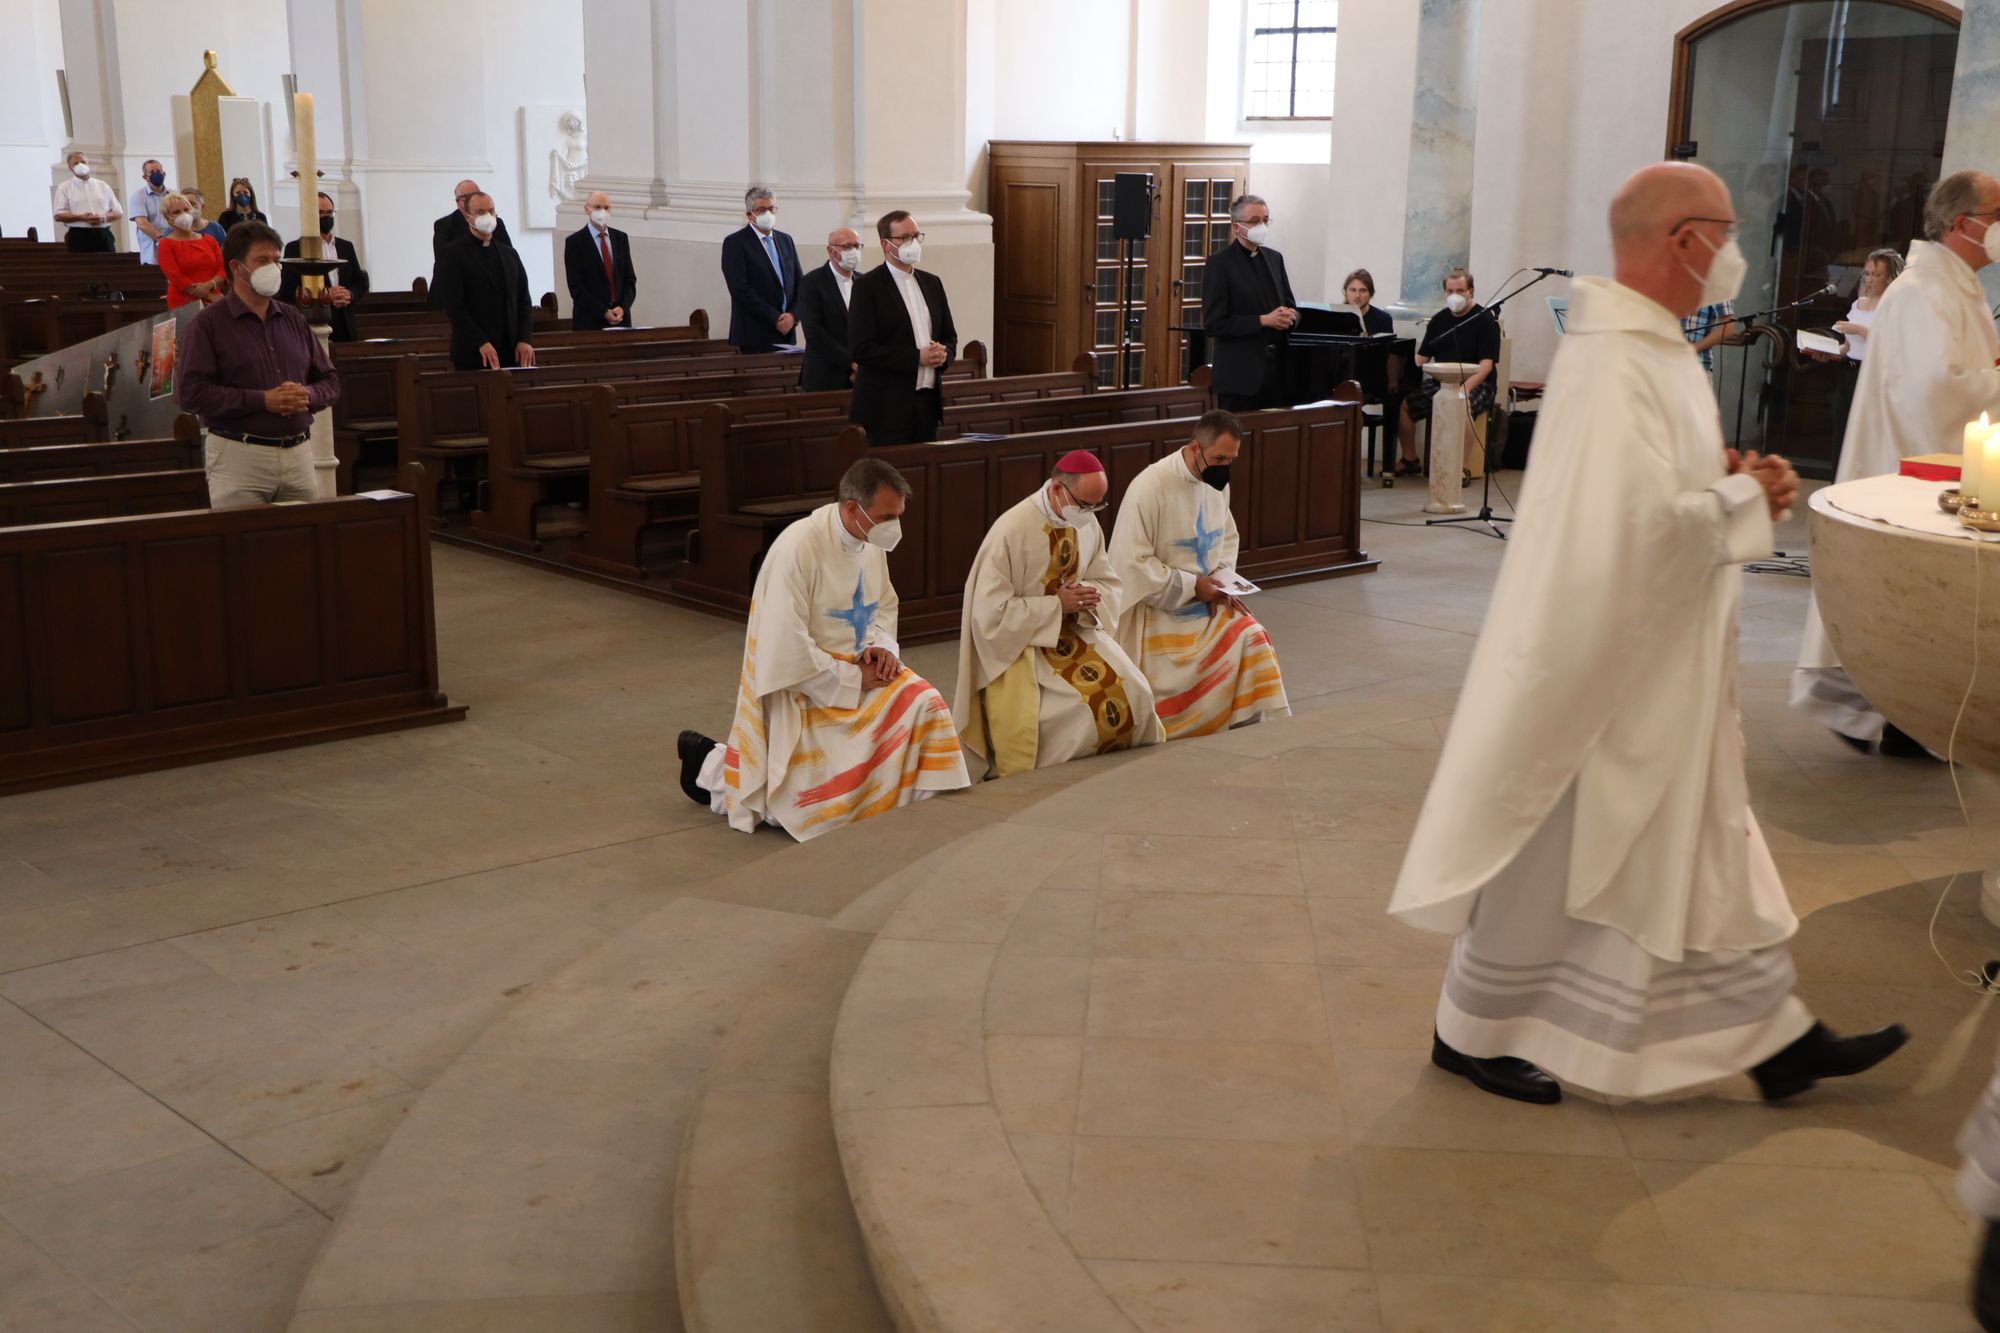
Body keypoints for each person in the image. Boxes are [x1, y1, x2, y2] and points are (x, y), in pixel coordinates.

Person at [1386, 161, 1906, 1109]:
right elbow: (1627, 527)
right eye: (1728, 228)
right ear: (1683, 240)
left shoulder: (1651, 345)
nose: (1738, 248)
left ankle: (1771, 1034)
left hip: (1664, 647)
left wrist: (1721, 475)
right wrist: (1743, 496)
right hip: (1607, 656)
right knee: (1563, 849)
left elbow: (1659, 488)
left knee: (1694, 842)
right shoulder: (1614, 358)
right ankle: (1473, 1026)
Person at [1793, 171, 2000, 756]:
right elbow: (1933, 393)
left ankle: (1908, 717)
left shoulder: (1952, 286)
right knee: (1900, 603)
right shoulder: (1925, 291)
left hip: (1928, 463)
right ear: (1963, 224)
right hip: (1905, 469)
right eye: (1997, 212)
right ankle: (1892, 713)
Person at [675, 457, 970, 839]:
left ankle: (919, 811)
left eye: (897, 516)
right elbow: (784, 645)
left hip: (861, 670)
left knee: (925, 703)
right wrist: (850, 676)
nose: (893, 527)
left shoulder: (867, 540)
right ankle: (709, 767)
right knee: (793, 806)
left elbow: (882, 605)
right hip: (807, 686)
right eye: (886, 517)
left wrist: (883, 647)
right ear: (852, 508)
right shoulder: (798, 548)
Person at [953, 450, 1163, 777]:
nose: (1090, 514)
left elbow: (1107, 579)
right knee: (1065, 711)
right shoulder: (1010, 531)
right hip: (1023, 646)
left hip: (1078, 629)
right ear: (1056, 489)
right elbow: (989, 615)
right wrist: (1055, 607)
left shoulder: (1085, 522)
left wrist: (1089, 597)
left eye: (1097, 505)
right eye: (1084, 505)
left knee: (1136, 690)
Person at [1105, 409, 1290, 739]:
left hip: (1208, 600)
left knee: (1253, 636)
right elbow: (1132, 562)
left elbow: (1225, 537)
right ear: (1194, 448)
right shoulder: (1150, 486)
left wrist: (1222, 577)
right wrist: (1192, 586)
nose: (1224, 466)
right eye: (1219, 457)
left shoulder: (1215, 483)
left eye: (1231, 459)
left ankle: (1242, 728)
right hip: (1160, 608)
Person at [177, 221, 341, 507]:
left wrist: (307, 395)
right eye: (262, 261)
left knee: (304, 543)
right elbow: (191, 393)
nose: (273, 268)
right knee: (244, 545)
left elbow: (330, 381)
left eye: (277, 260)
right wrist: (262, 400)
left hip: (299, 452)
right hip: (239, 454)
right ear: (237, 267)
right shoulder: (208, 324)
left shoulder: (293, 318)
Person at [848, 211, 958, 445]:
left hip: (928, 403)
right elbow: (862, 348)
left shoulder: (932, 283)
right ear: (885, 244)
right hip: (886, 406)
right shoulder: (867, 287)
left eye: (917, 236)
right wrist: (917, 357)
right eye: (905, 237)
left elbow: (950, 336)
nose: (913, 243)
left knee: (925, 475)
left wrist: (943, 354)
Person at [1394, 268, 1500, 479]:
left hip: (1478, 382)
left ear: (1471, 291)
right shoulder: (1439, 320)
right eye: (1450, 291)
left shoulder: (1485, 320)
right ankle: (1410, 459)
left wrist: (1463, 390)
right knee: (1403, 406)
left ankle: (1461, 468)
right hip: (1442, 381)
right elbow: (1421, 358)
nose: (1455, 295)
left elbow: (1486, 365)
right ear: (1444, 293)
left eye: (1460, 290)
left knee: (1462, 405)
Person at [1202, 194, 1299, 412]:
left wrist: (1290, 317)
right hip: (1240, 378)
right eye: (1255, 221)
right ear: (1236, 227)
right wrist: (1263, 320)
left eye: (1266, 220)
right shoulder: (1220, 264)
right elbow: (1214, 324)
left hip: (1278, 372)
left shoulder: (1275, 258)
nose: (1262, 226)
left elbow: (1292, 305)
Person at [432, 193, 536, 371]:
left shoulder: (509, 254)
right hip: (474, 352)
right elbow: (455, 307)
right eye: (480, 212)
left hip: (511, 351)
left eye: (491, 211)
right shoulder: (453, 255)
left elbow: (524, 301)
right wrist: (480, 342)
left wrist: (524, 339)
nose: (487, 217)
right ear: (467, 216)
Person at [720, 186, 800, 351]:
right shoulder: (736, 243)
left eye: (771, 209)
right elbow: (740, 289)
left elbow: (800, 283)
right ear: (750, 214)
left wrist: (793, 316)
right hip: (754, 334)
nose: (768, 215)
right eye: (762, 210)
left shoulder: (786, 240)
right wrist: (775, 319)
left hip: (787, 332)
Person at [283, 192, 370, 342]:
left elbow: (361, 282)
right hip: (313, 323)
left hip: (345, 322)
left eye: (330, 212)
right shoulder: (296, 248)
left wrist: (349, 294)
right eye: (321, 213)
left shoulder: (346, 246)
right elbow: (287, 289)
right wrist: (325, 295)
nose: (326, 217)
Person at [796, 227, 862, 391]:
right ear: (831, 251)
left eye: (856, 246)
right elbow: (814, 332)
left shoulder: (864, 282)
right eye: (847, 246)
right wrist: (851, 363)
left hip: (863, 375)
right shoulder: (811, 282)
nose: (853, 251)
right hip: (826, 375)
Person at [562, 190, 637, 331]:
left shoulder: (621, 239)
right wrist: (603, 312)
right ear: (587, 209)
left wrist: (622, 307)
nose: (602, 211)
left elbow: (630, 280)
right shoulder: (575, 242)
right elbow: (576, 287)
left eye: (606, 208)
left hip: (621, 319)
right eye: (597, 207)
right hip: (590, 321)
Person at [155, 193, 225, 310]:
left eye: (186, 209)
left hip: (215, 298)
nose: (183, 214)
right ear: (168, 217)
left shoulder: (209, 240)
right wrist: (209, 295)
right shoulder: (165, 244)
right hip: (185, 302)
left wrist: (210, 285)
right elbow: (176, 277)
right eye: (176, 212)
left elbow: (222, 269)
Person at [52, 152, 121, 253]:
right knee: (82, 267)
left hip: (103, 233)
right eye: (76, 163)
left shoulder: (102, 185)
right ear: (70, 167)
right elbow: (58, 215)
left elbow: (118, 212)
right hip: (79, 235)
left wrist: (103, 218)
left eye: (83, 162)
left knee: (108, 266)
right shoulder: (64, 187)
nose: (80, 165)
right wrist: (82, 217)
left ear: (88, 163)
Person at [431, 179, 512, 260]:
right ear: (458, 202)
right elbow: (442, 260)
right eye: (465, 197)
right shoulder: (445, 225)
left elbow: (509, 256)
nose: (471, 200)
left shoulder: (496, 222)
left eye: (475, 195)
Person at [128, 159, 168, 265]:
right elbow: (142, 224)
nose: (156, 174)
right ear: (145, 177)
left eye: (158, 171)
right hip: (152, 251)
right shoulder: (139, 196)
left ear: (163, 173)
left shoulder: (173, 194)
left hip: (174, 246)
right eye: (152, 172)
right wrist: (163, 241)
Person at [1680, 295, 1734, 375]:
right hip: (1666, 362)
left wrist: (1691, 349)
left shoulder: (1717, 288)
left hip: (1696, 365)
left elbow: (1727, 329)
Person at [1342, 268, 1396, 336]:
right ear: (1346, 292)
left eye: (1363, 290)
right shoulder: (1335, 317)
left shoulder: (1383, 320)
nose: (1357, 295)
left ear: (1371, 293)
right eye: (1353, 290)